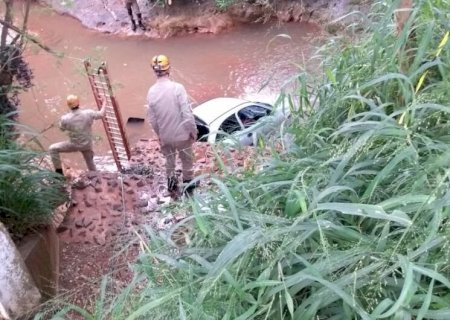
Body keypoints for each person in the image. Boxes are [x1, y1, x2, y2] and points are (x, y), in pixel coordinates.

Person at [146, 54, 198, 194]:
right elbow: (186, 113)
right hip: (182, 135)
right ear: (169, 69)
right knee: (187, 160)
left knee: (169, 160)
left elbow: (153, 119)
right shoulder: (178, 88)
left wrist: (160, 135)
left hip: (166, 136)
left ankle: (171, 183)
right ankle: (188, 185)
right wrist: (193, 130)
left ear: (154, 71)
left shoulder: (151, 92)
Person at [49, 94, 107, 175]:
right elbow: (101, 114)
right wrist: (104, 101)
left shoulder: (65, 118)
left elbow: (62, 129)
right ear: (78, 103)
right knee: (91, 164)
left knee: (52, 149)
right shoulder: (88, 113)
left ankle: (59, 174)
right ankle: (95, 177)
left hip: (74, 144)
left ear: (68, 105)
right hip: (87, 144)